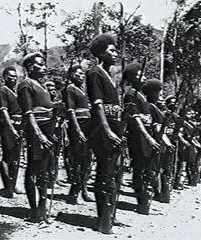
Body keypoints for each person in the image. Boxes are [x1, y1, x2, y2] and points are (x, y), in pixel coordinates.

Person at [86, 34, 126, 234]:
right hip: (102, 128)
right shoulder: (95, 73)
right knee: (105, 171)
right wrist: (107, 130)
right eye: (111, 50)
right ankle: (103, 220)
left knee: (115, 171)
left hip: (114, 125)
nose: (115, 53)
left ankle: (111, 214)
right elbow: (98, 105)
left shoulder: (110, 75)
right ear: (101, 53)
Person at [17, 52, 56, 223]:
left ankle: (42, 206)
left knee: (45, 170)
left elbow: (48, 108)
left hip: (48, 131)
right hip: (36, 132)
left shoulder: (44, 86)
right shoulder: (26, 85)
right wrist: (38, 134)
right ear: (31, 67)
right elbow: (28, 113)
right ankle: (34, 210)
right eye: (40, 64)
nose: (44, 67)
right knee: (34, 168)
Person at [122, 64, 160, 215]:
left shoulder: (140, 95)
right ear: (133, 78)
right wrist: (148, 137)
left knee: (147, 168)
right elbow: (136, 119)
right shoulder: (130, 94)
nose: (144, 78)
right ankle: (141, 202)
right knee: (140, 168)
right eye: (140, 75)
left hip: (146, 133)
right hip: (138, 135)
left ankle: (145, 200)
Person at [141, 79, 175, 203]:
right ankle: (152, 195)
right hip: (156, 141)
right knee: (152, 169)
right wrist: (167, 141)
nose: (161, 95)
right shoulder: (150, 106)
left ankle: (160, 193)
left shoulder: (156, 107)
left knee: (160, 169)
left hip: (161, 140)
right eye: (159, 92)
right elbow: (156, 126)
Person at [64, 64, 94, 204]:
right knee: (77, 160)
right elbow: (71, 111)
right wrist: (78, 130)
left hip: (87, 126)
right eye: (78, 74)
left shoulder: (82, 90)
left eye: (82, 74)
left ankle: (84, 189)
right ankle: (74, 193)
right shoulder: (70, 89)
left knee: (87, 160)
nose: (81, 77)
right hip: (78, 126)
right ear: (71, 76)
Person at [0, 67, 23, 198]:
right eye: (11, 77)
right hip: (8, 126)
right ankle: (8, 187)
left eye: (15, 77)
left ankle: (13, 183)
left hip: (19, 125)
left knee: (16, 157)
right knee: (8, 155)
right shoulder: (3, 91)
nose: (14, 79)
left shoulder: (16, 92)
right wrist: (11, 127)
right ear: (5, 77)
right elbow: (3, 110)